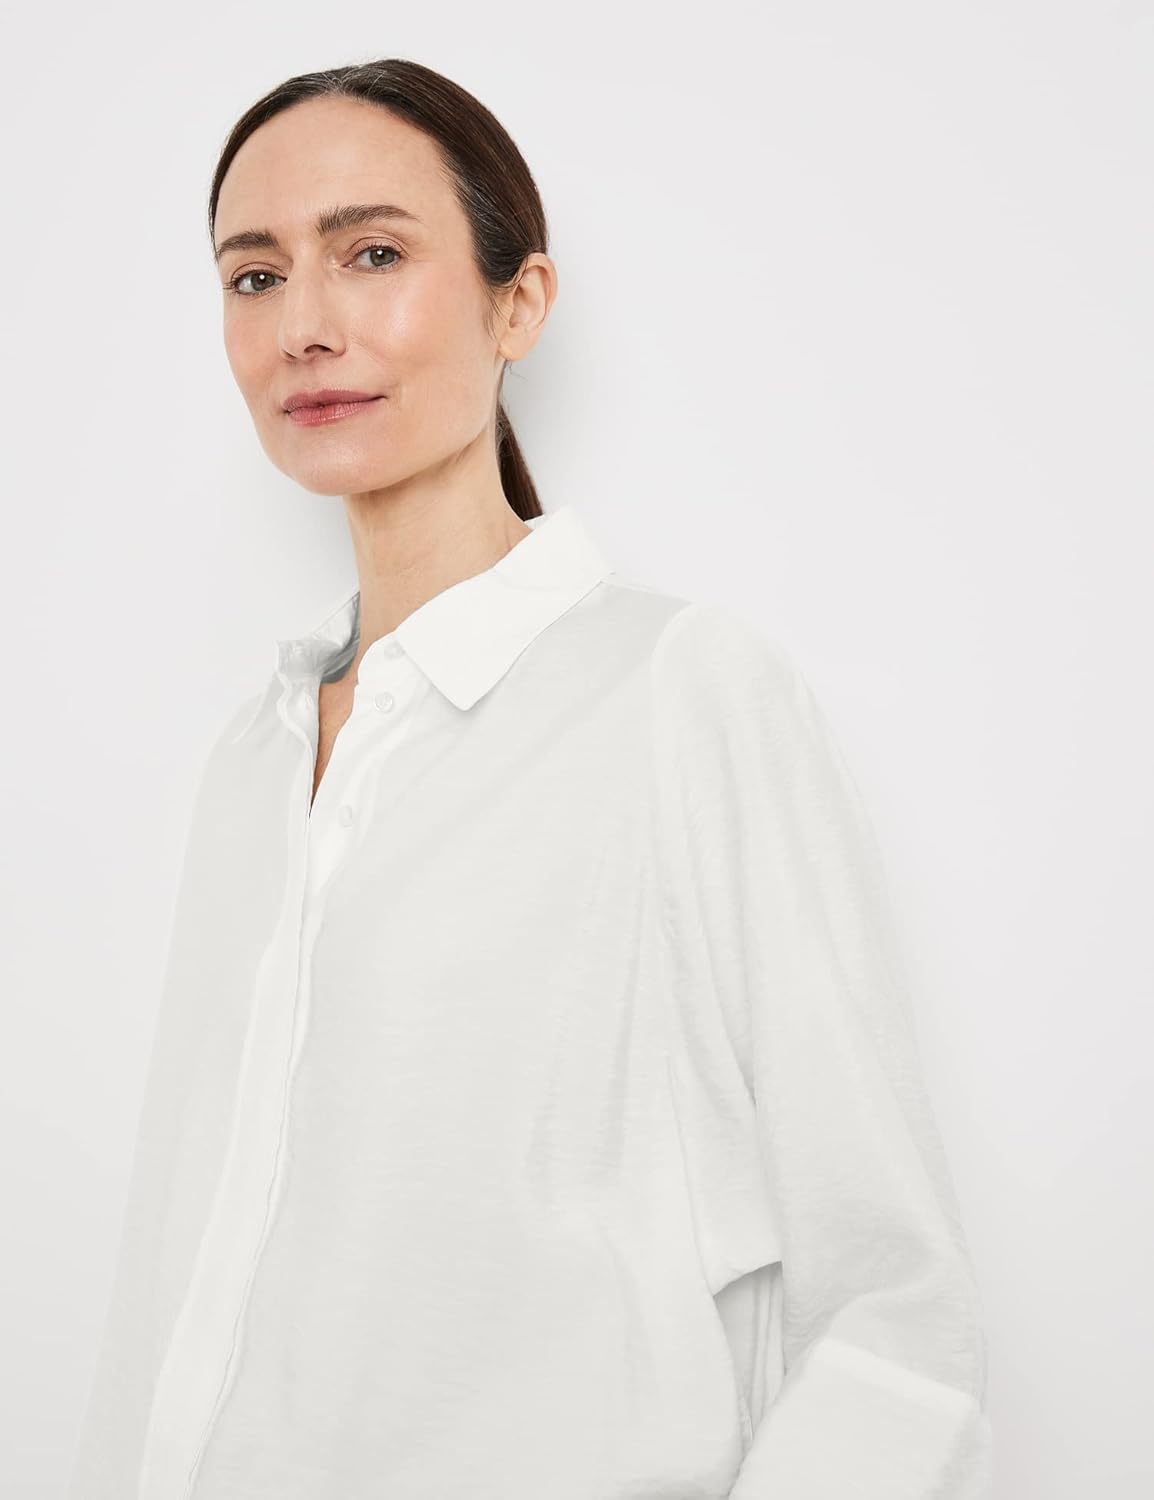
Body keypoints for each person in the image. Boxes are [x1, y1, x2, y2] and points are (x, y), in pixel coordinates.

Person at [67, 57, 992, 1500]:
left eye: (373, 254)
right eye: (254, 277)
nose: (304, 325)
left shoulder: (679, 696)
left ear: (520, 303)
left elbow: (891, 1316)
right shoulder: (251, 760)